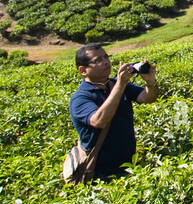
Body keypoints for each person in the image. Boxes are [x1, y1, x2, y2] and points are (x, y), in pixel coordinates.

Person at [68, 44, 159, 180]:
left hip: (128, 164)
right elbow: (99, 120)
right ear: (83, 70)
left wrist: (151, 83)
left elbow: (147, 98)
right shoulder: (80, 98)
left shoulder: (116, 84)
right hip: (101, 173)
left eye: (106, 57)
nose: (105, 62)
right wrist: (120, 84)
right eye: (98, 60)